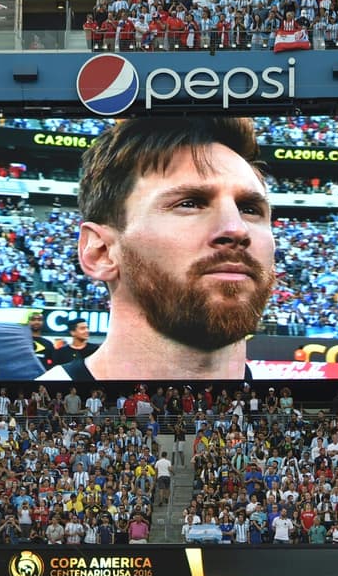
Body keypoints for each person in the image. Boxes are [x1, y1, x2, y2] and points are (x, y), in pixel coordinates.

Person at [38, 118, 275, 380]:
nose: (237, 229)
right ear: (101, 252)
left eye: (250, 209)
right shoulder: (24, 417)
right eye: (189, 203)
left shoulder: (302, 409)